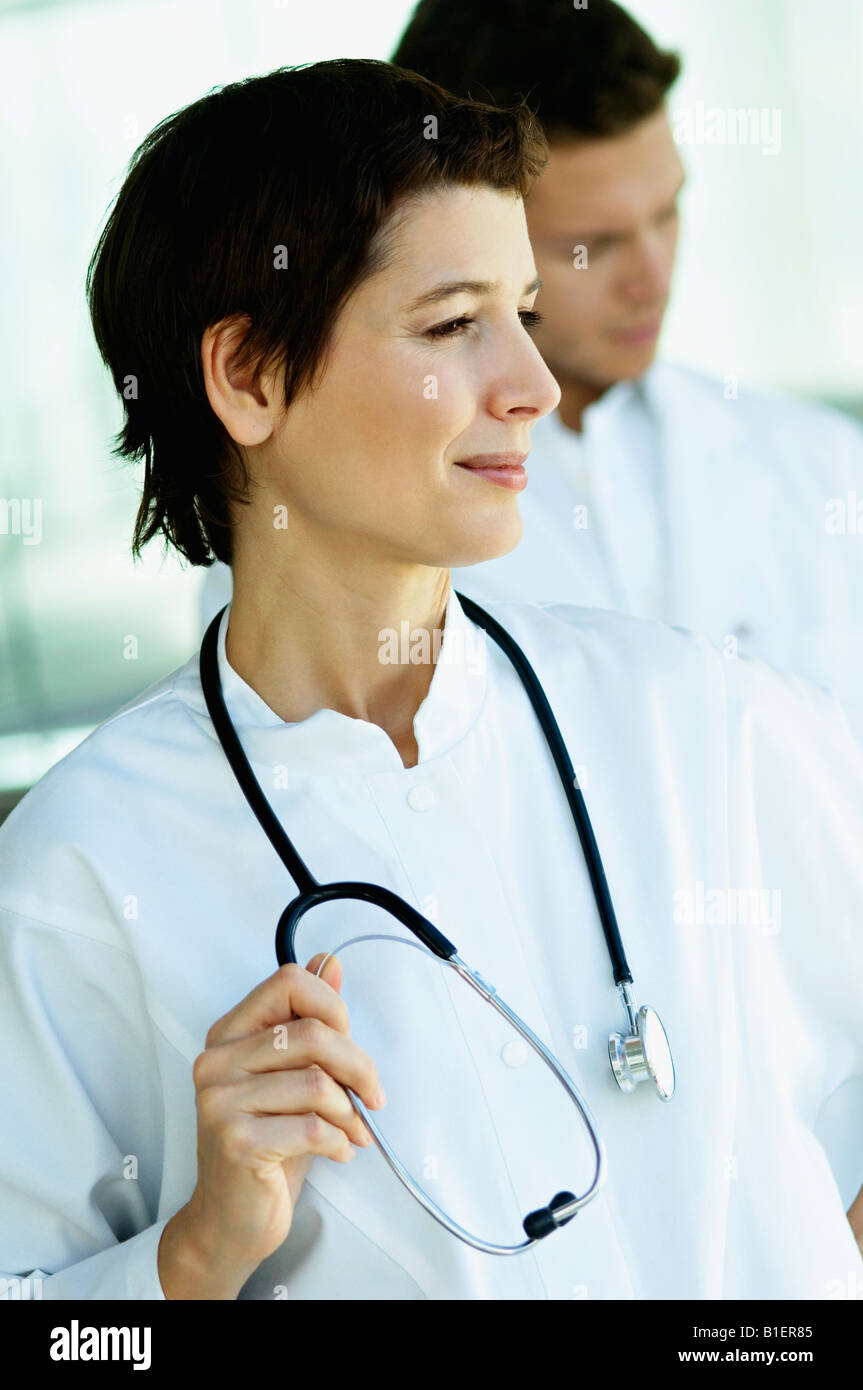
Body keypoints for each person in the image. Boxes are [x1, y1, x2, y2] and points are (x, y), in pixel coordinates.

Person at [0, 58, 861, 1302]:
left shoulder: (707, 725)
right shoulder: (74, 875)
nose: (533, 383)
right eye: (455, 324)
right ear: (247, 377)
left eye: (521, 308)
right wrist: (187, 1258)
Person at [200, 0, 863, 741]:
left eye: (666, 213)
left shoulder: (824, 465)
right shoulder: (326, 536)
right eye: (593, 244)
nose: (652, 276)